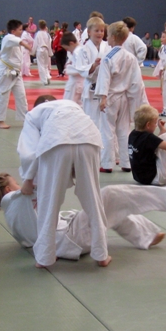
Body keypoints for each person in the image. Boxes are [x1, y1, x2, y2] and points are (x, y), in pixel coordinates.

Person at [0, 172, 166, 261]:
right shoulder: (16, 198)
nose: (20, 184)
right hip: (71, 238)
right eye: (15, 182)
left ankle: (146, 236)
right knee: (108, 195)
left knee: (106, 210)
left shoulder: (11, 212)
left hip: (68, 238)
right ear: (7, 189)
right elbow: (31, 185)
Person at [17, 95, 109, 268]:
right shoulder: (72, 105)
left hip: (56, 140)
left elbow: (29, 152)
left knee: (49, 201)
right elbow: (75, 139)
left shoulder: (33, 114)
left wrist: (28, 180)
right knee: (93, 198)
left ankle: (44, 258)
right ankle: (101, 254)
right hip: (89, 138)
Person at [95, 21, 147, 173]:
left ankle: (107, 163)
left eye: (108, 35)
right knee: (124, 130)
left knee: (107, 130)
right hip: (125, 97)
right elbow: (136, 82)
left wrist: (103, 97)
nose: (106, 38)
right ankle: (126, 162)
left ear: (113, 37)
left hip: (110, 97)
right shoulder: (131, 57)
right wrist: (136, 101)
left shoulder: (108, 57)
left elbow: (104, 79)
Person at [0, 20, 33, 130]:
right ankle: (0, 121)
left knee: (21, 95)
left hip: (16, 72)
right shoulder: (8, 38)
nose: (22, 31)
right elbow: (19, 41)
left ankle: (25, 119)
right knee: (3, 96)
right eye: (20, 29)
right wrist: (27, 45)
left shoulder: (15, 41)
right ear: (13, 31)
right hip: (6, 72)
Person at [81, 17, 110, 126]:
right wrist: (93, 65)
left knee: (105, 120)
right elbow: (82, 69)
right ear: (89, 32)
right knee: (91, 119)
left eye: (102, 31)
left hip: (105, 88)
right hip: (91, 87)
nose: (100, 33)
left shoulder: (107, 46)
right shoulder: (84, 49)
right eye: (96, 31)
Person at [32, 20, 52, 86]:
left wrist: (33, 52)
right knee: (46, 65)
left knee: (41, 65)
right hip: (46, 49)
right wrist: (50, 53)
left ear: (39, 26)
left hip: (40, 50)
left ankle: (44, 81)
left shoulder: (38, 34)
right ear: (45, 26)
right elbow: (49, 44)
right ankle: (47, 76)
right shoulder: (47, 34)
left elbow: (35, 43)